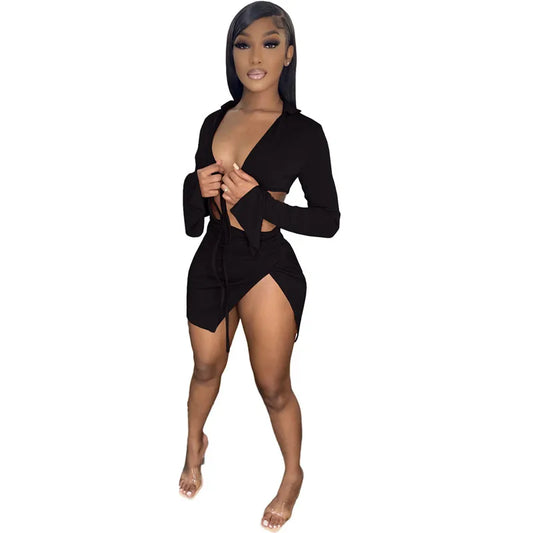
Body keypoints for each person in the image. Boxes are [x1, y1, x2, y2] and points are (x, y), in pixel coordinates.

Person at [179, 2, 341, 530]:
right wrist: (194, 187)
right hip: (212, 257)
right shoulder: (213, 120)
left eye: (270, 43)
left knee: (272, 385)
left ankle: (293, 474)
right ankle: (195, 444)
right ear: (231, 54)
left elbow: (328, 221)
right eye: (243, 44)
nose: (255, 56)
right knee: (205, 368)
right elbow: (196, 218)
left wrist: (263, 206)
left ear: (288, 54)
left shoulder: (304, 132)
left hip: (267, 264)